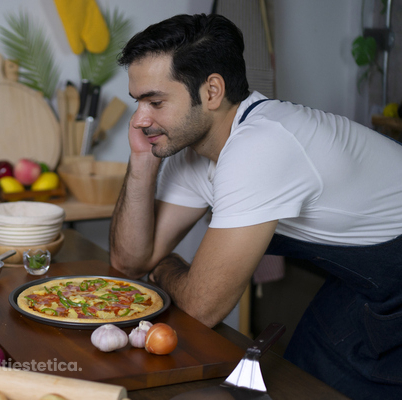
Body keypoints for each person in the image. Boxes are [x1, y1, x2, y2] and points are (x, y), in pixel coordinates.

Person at [109, 13, 402, 399]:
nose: (140, 120)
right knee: (300, 380)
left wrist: (162, 265)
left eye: (155, 102)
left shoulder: (260, 146)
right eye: (138, 102)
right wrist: (142, 164)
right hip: (366, 279)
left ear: (212, 91)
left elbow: (201, 308)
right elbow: (129, 261)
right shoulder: (193, 148)